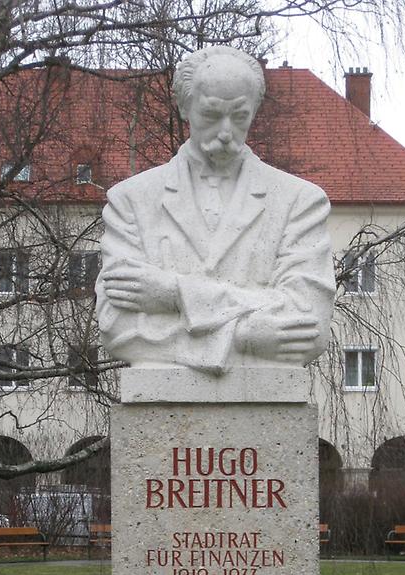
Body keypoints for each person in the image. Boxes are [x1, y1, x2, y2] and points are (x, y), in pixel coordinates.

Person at [95, 46, 335, 375]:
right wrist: (243, 338)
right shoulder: (132, 200)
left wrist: (173, 293)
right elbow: (116, 327)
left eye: (240, 116)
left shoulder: (300, 201)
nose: (225, 132)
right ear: (184, 106)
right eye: (211, 115)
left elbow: (309, 321)